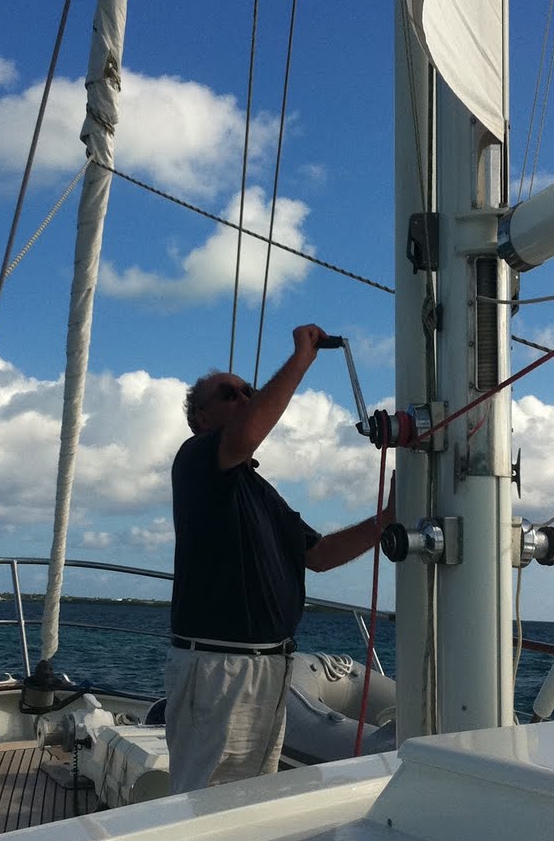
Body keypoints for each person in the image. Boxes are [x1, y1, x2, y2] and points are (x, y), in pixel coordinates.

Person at [166, 322, 392, 793]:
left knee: (248, 800)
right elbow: (244, 437)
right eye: (229, 394)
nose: (245, 397)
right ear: (201, 420)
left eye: (248, 390)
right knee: (203, 802)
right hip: (220, 670)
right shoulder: (195, 460)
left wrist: (386, 522)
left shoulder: (262, 495)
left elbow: (322, 555)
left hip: (271, 671)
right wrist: (302, 358)